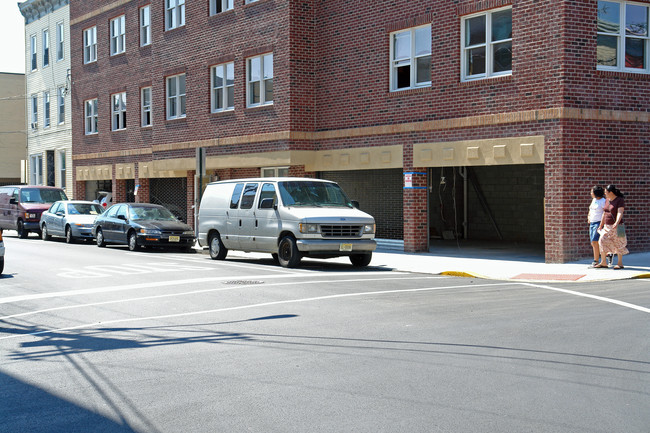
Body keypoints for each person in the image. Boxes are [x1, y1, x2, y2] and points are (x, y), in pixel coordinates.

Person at [595, 185, 628, 269]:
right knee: (601, 240)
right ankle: (603, 262)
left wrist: (616, 223)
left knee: (619, 243)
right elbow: (604, 213)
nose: (605, 194)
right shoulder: (607, 200)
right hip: (607, 226)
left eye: (606, 192)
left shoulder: (619, 200)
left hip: (618, 226)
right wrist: (601, 225)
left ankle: (620, 263)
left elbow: (620, 212)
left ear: (611, 192)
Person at [587, 186, 606, 267]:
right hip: (592, 222)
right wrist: (588, 217)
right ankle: (604, 256)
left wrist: (601, 224)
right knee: (593, 242)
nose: (591, 193)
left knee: (595, 241)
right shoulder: (594, 200)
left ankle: (596, 260)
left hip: (598, 223)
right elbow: (590, 210)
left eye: (592, 192)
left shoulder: (603, 201)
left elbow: (605, 213)